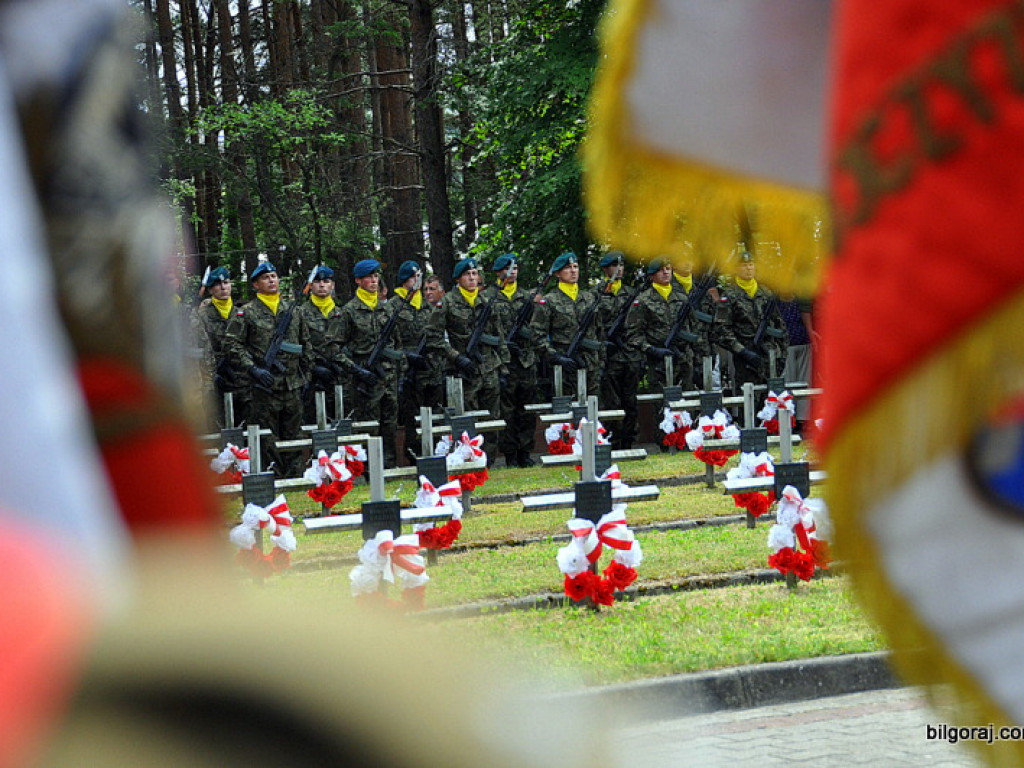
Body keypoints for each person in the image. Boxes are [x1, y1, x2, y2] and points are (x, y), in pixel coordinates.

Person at [223, 261, 313, 476]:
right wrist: (253, 369)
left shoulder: (293, 311)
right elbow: (231, 345)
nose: (272, 280)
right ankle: (272, 478)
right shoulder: (247, 313)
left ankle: (295, 479)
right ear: (255, 285)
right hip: (263, 387)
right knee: (266, 437)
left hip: (291, 384)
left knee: (294, 435)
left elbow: (306, 345)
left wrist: (305, 376)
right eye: (266, 277)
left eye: (274, 276)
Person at [430, 257, 508, 462]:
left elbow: (498, 336)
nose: (472, 278)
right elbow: (433, 337)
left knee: (492, 418)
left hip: (489, 367)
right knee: (467, 419)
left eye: (475, 274)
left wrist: (504, 368)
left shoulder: (486, 302)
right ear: (458, 279)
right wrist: (456, 358)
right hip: (463, 371)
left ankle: (488, 461)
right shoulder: (446, 303)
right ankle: (469, 461)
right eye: (467, 274)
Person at [325, 259, 400, 467]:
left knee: (390, 425)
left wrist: (398, 371)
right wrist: (356, 369)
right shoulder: (348, 311)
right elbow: (332, 347)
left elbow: (397, 345)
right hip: (364, 380)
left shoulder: (386, 309)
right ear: (358, 280)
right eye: (369, 277)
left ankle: (390, 467)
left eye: (376, 276)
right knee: (369, 428)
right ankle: (370, 470)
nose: (374, 281)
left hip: (388, 377)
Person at [486, 254, 539, 467]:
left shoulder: (527, 297)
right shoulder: (489, 297)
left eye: (515, 267)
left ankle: (525, 452)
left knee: (526, 409)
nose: (513, 271)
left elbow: (537, 327)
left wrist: (524, 335)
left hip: (525, 360)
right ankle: (509, 454)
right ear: (499, 272)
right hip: (504, 362)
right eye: (508, 268)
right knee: (506, 410)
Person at [528, 252, 605, 400]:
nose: (573, 271)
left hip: (590, 364)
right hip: (564, 364)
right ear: (558, 273)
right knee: (566, 412)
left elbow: (599, 332)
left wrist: (601, 362)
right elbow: (536, 334)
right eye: (568, 268)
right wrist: (555, 356)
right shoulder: (549, 301)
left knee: (592, 409)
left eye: (575, 267)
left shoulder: (589, 298)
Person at [714, 251, 788, 392]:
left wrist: (782, 355)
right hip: (745, 359)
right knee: (748, 401)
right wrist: (742, 351)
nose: (748, 269)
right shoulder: (729, 296)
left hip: (768, 356)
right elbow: (721, 330)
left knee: (771, 403)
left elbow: (780, 326)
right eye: (743, 265)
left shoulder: (765, 293)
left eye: (751, 265)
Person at [625, 257, 695, 397]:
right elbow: (633, 334)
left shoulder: (682, 298)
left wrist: (696, 357)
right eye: (660, 270)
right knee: (663, 409)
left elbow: (694, 327)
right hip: (658, 365)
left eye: (668, 269)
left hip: (683, 361)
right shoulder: (643, 301)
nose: (665, 273)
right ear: (652, 276)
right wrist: (651, 349)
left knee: (686, 407)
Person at [192, 266, 250, 430]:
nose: (223, 287)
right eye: (218, 284)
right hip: (215, 378)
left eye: (226, 282)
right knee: (218, 427)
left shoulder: (242, 312)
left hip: (242, 379)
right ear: (210, 289)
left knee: (246, 426)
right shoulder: (201, 315)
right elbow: (200, 345)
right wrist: (211, 375)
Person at [595, 251, 642, 451]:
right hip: (608, 356)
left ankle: (629, 441)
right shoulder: (595, 294)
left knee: (629, 401)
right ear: (606, 269)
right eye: (615, 266)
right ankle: (613, 441)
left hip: (629, 354)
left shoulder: (632, 294)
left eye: (621, 265)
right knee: (611, 403)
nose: (619, 269)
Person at [390, 259, 433, 462]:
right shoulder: (393, 306)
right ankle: (412, 451)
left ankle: (429, 452)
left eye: (419, 277)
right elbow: (389, 342)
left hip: (427, 369)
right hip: (406, 371)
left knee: (429, 414)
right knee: (410, 416)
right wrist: (407, 357)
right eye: (413, 277)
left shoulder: (427, 306)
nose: (417, 281)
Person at [295, 264, 346, 425]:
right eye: (317, 281)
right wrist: (313, 367)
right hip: (312, 379)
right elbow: (297, 345)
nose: (322, 285)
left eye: (326, 281)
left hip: (338, 377)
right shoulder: (300, 312)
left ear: (332, 285)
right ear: (310, 286)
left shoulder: (343, 313)